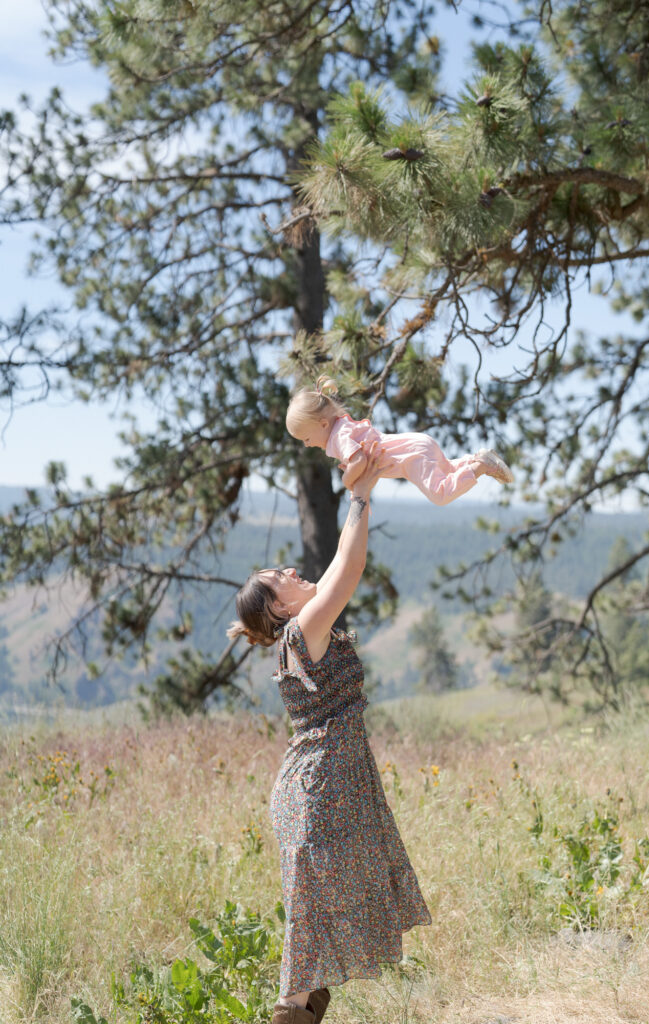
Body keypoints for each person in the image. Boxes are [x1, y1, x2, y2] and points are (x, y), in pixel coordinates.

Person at [228, 443, 432, 1024]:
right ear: (278, 609)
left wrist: (358, 495)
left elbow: (341, 562)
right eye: (281, 579)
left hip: (325, 787)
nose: (293, 572)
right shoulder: (302, 631)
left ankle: (302, 1009)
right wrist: (361, 497)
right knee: (312, 933)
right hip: (319, 794)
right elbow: (347, 571)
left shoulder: (300, 631)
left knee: (322, 928)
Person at [286, 376, 514, 504]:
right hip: (415, 443)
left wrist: (347, 479)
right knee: (447, 471)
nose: (306, 444)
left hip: (410, 457)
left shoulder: (339, 436)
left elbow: (359, 463)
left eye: (306, 438)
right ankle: (476, 459)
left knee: (440, 495)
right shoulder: (343, 427)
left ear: (323, 424)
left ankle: (481, 466)